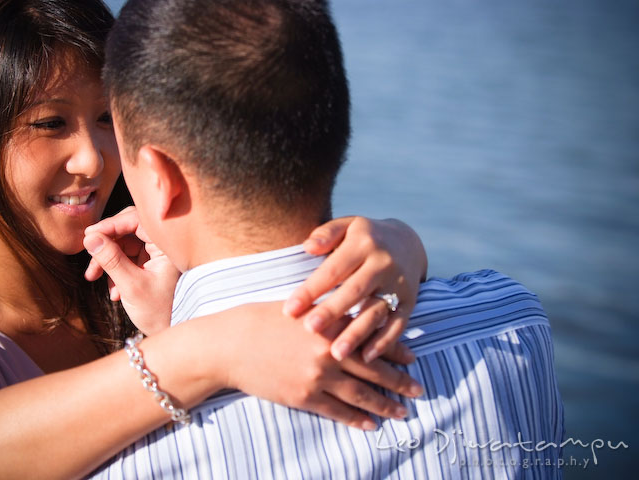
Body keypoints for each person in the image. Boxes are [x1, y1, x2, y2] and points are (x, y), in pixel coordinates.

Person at [0, 0, 431, 478]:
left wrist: (400, 244)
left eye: (106, 119)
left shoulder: (146, 272)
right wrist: (210, 348)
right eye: (50, 123)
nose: (94, 160)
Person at [85, 0, 565, 477]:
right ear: (331, 131)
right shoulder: (515, 322)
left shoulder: (121, 458)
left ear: (157, 178)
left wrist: (171, 339)